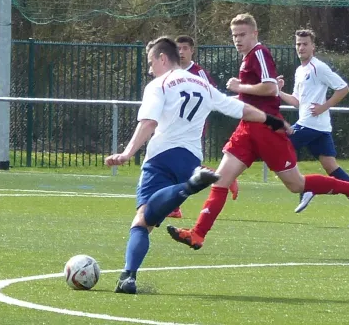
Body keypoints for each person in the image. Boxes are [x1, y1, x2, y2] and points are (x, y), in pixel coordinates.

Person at [167, 13, 349, 251]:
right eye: (234, 35)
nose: (237, 39)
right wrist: (224, 99)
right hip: (247, 129)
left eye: (242, 34)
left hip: (266, 130)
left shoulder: (259, 53)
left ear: (255, 34)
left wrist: (239, 86)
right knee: (221, 181)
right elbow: (250, 96)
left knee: (296, 185)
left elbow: (270, 88)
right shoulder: (247, 59)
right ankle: (197, 234)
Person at [104, 36, 289, 294]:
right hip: (191, 158)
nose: (149, 70)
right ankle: (189, 185)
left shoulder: (159, 85)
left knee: (142, 220)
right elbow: (240, 109)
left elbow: (148, 123)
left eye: (150, 62)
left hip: (161, 156)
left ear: (162, 58)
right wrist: (272, 120)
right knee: (151, 214)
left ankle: (128, 276)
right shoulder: (202, 84)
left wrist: (127, 152)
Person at [277, 29, 349, 213]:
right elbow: (297, 102)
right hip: (319, 126)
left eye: (305, 44)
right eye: (298, 44)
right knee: (331, 166)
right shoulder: (300, 70)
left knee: (281, 147)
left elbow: (343, 88)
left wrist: (324, 106)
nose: (301, 47)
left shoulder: (318, 67)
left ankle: (307, 187)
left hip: (310, 124)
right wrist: (277, 91)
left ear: (313, 46)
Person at [165, 35, 239, 219]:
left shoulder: (199, 72)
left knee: (180, 164)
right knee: (177, 163)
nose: (181, 52)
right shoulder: (170, 72)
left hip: (193, 127)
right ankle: (222, 176)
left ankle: (175, 207)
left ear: (192, 50)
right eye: (178, 48)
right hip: (172, 126)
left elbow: (212, 95)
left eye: (185, 48)